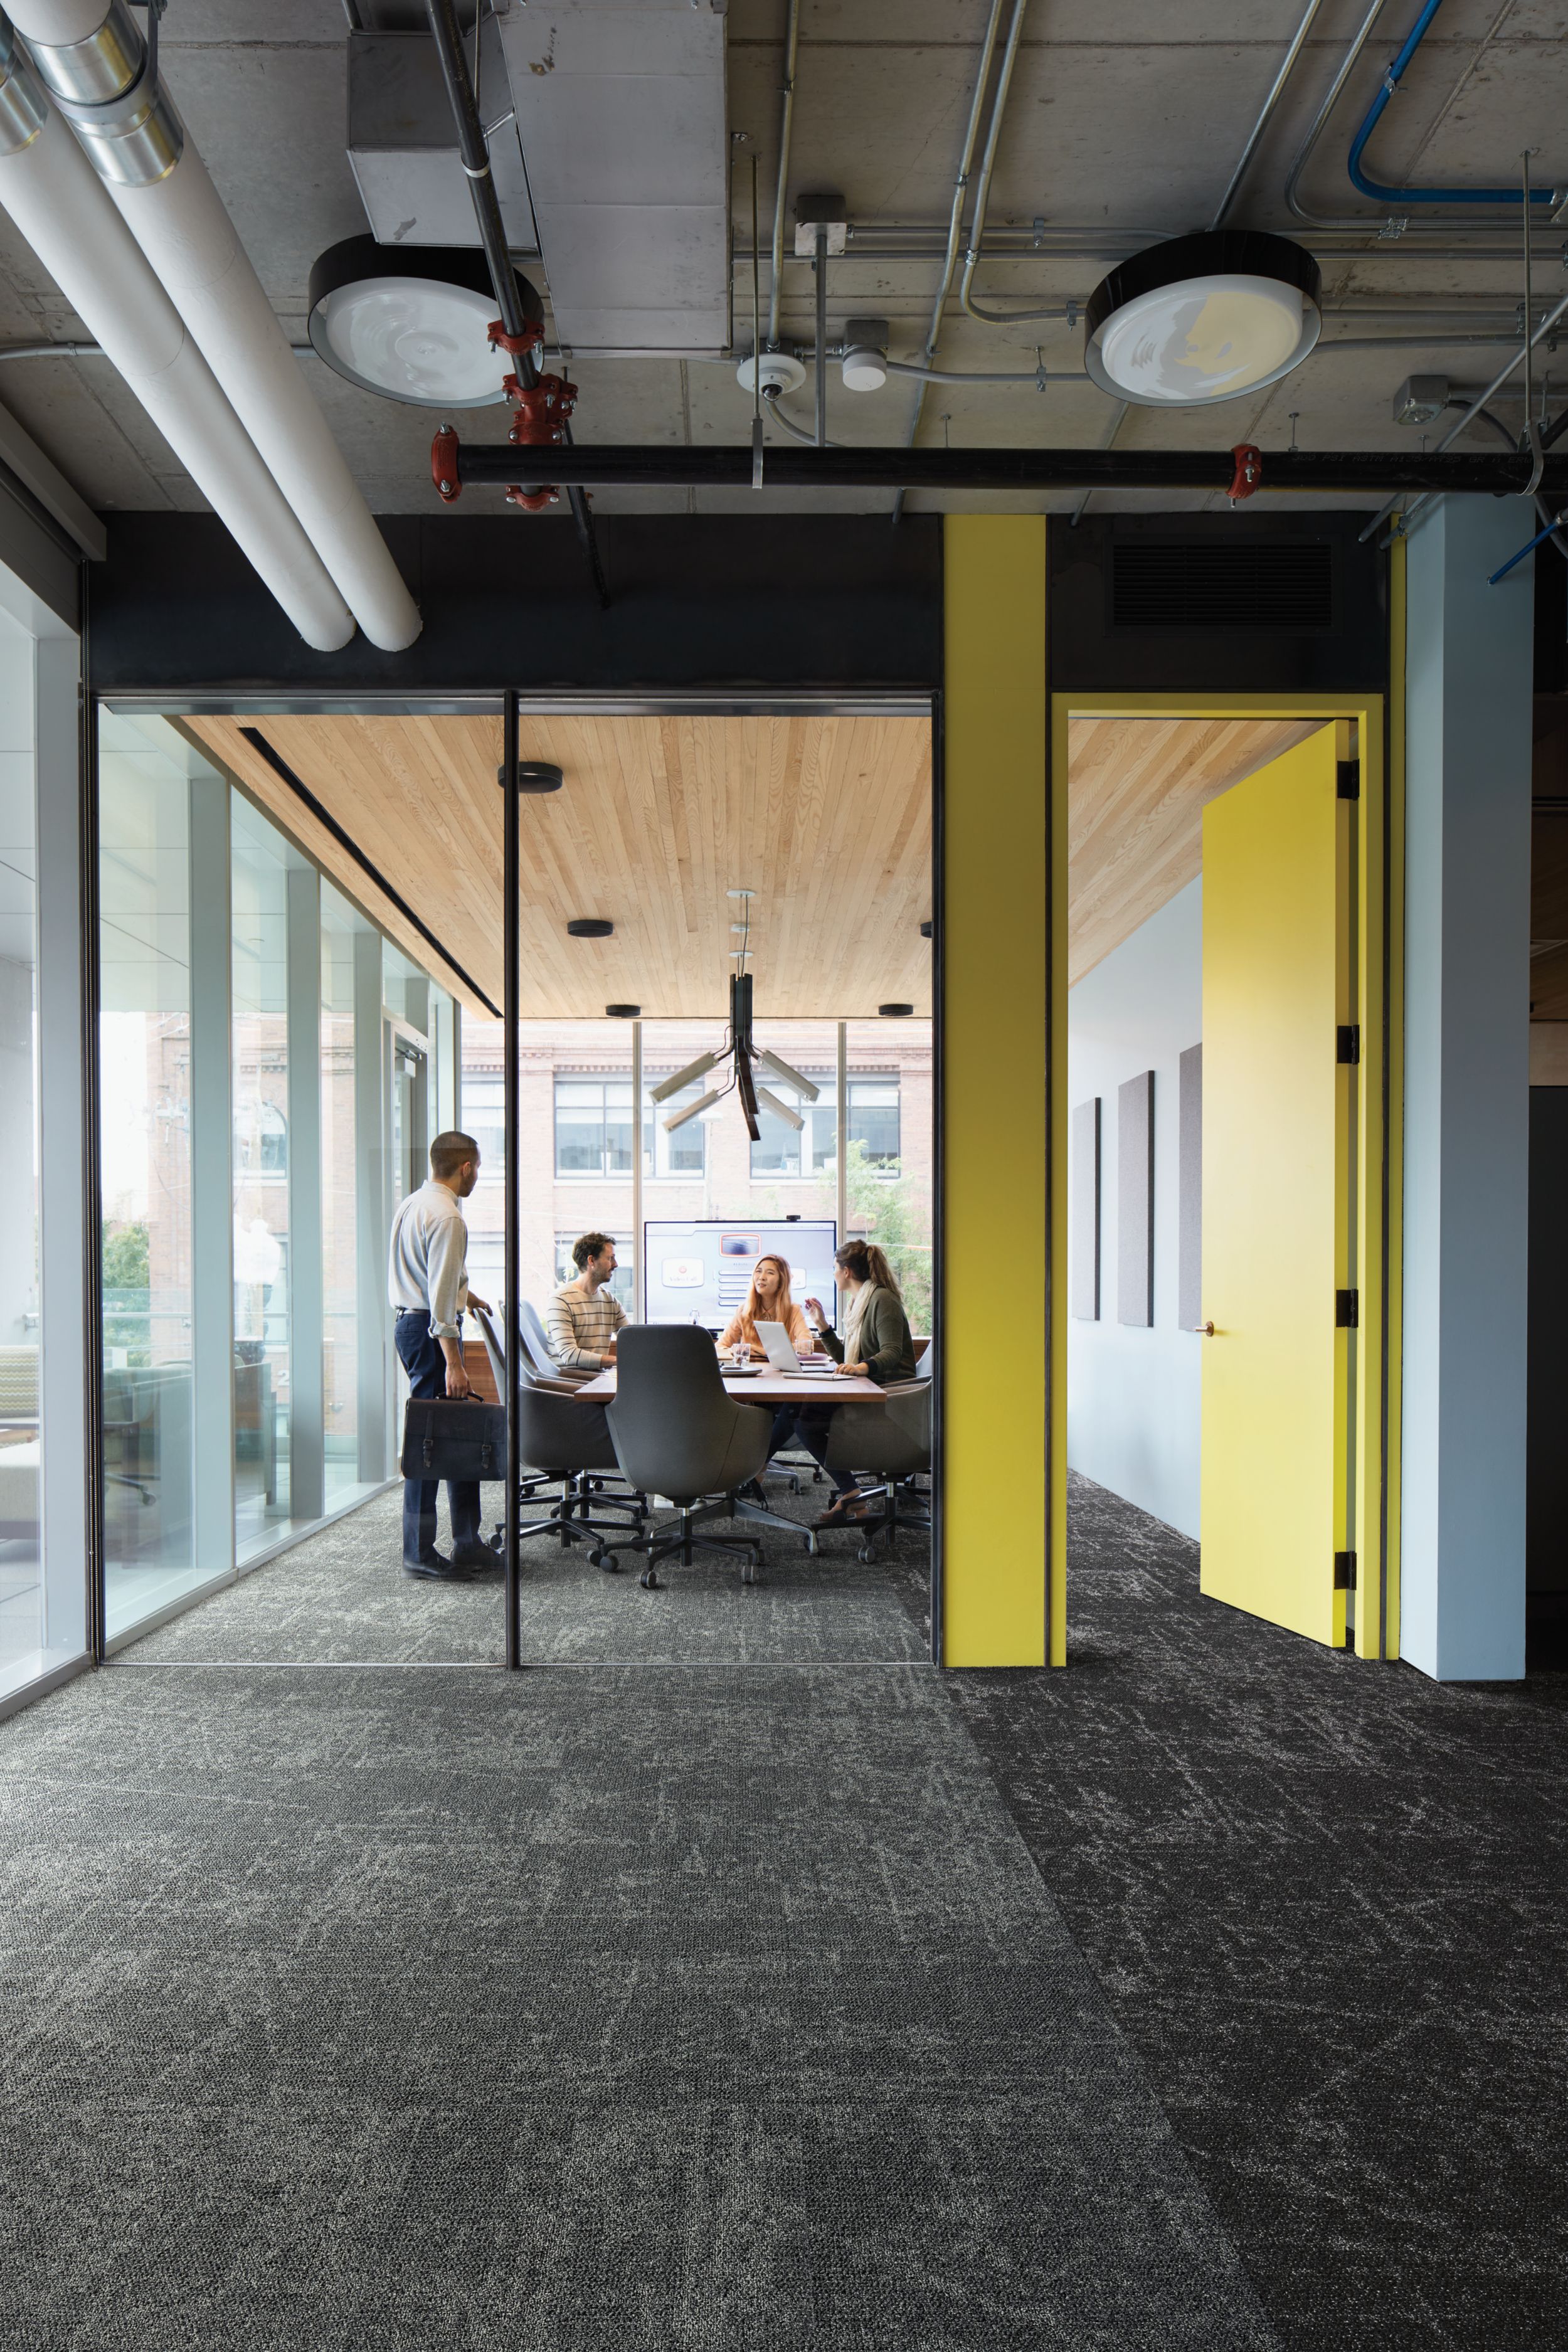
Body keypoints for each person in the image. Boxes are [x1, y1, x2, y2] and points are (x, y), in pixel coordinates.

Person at [388, 1130, 497, 1581]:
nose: (478, 1177)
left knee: (454, 1440)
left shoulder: (414, 1204)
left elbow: (431, 1275)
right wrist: (454, 1361)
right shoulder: (449, 1216)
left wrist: (465, 1295)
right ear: (466, 1167)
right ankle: (419, 1553)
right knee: (430, 1447)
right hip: (432, 1335)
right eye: (479, 1168)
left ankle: (468, 1542)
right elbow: (437, 1299)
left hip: (412, 1326)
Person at [792, 1241, 918, 1529]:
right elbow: (845, 1358)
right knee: (794, 1412)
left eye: (835, 1269)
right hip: (867, 1387)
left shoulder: (882, 1300)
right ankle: (849, 1491)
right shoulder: (859, 1303)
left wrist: (860, 1368)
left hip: (892, 1396)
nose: (833, 1274)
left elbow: (891, 1352)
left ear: (846, 1271)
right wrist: (822, 1325)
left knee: (803, 1420)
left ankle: (849, 1490)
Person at [549, 1231, 627, 1371]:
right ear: (591, 1261)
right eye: (611, 1258)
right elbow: (569, 1354)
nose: (616, 1264)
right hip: (569, 1381)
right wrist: (618, 1361)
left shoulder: (610, 1301)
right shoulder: (561, 1300)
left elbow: (631, 1339)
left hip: (595, 1377)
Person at [717, 1252, 813, 1362]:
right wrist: (736, 1350)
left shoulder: (793, 1310)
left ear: (781, 1281)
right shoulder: (743, 1311)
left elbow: (807, 1347)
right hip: (750, 1374)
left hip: (782, 1374)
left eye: (770, 1273)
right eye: (758, 1271)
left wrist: (760, 1351)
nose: (762, 1277)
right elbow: (720, 1348)